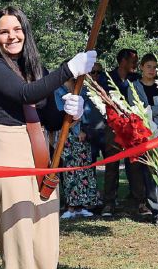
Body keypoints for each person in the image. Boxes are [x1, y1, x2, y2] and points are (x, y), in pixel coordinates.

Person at [0, 6, 95, 269]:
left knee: (45, 241)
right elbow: (26, 95)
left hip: (40, 151)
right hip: (8, 148)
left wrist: (68, 114)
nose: (11, 36)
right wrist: (68, 70)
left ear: (26, 32)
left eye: (17, 29)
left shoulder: (34, 69)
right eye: (3, 31)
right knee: (19, 242)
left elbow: (45, 111)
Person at [99, 49, 146, 217]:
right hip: (113, 126)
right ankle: (109, 202)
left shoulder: (135, 79)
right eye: (133, 61)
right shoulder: (106, 77)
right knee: (112, 164)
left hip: (133, 126)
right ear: (123, 61)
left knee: (135, 163)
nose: (136, 64)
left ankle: (139, 201)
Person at [129, 53, 158, 227]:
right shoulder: (134, 87)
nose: (152, 70)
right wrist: (155, 109)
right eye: (149, 66)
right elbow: (137, 110)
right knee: (152, 174)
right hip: (148, 135)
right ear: (141, 68)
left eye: (155, 67)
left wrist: (151, 109)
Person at [55, 79, 98, 219]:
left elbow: (88, 113)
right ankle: (71, 207)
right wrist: (76, 129)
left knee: (84, 172)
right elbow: (62, 115)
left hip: (83, 137)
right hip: (66, 137)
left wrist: (83, 128)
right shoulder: (58, 91)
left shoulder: (82, 90)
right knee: (69, 173)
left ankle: (83, 206)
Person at [85, 62, 107, 162]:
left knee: (111, 162)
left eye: (99, 72)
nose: (96, 75)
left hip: (103, 129)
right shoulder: (80, 89)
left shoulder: (104, 89)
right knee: (90, 162)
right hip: (88, 131)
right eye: (93, 72)